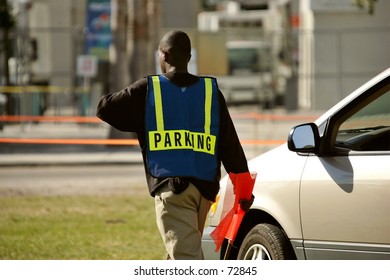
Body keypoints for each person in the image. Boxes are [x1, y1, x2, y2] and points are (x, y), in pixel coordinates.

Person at [97, 30, 252, 260]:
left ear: (165, 55)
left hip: (174, 191)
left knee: (186, 261)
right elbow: (230, 145)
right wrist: (244, 188)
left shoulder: (149, 90)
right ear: (189, 58)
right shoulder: (210, 92)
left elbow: (104, 107)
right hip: (204, 193)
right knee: (179, 255)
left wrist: (142, 113)